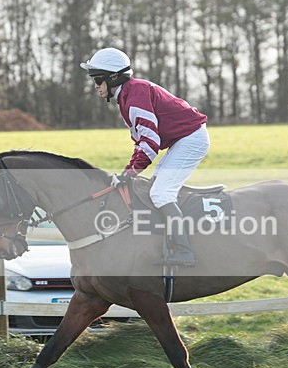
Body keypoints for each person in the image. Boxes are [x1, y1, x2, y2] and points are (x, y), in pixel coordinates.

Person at [80, 47, 209, 267]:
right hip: (182, 139)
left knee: (160, 193)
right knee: (155, 189)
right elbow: (142, 143)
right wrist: (127, 172)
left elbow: (150, 144)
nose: (95, 86)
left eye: (98, 79)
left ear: (114, 78)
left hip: (190, 139)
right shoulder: (127, 95)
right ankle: (168, 241)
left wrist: (129, 174)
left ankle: (184, 251)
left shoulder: (134, 96)